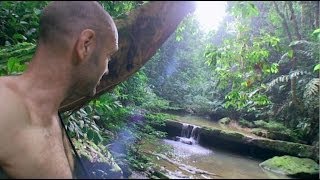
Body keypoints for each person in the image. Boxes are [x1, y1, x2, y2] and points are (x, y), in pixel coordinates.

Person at [0, 1, 118, 178]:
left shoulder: (53, 118)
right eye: (108, 56)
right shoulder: (4, 105)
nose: (106, 69)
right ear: (85, 44)